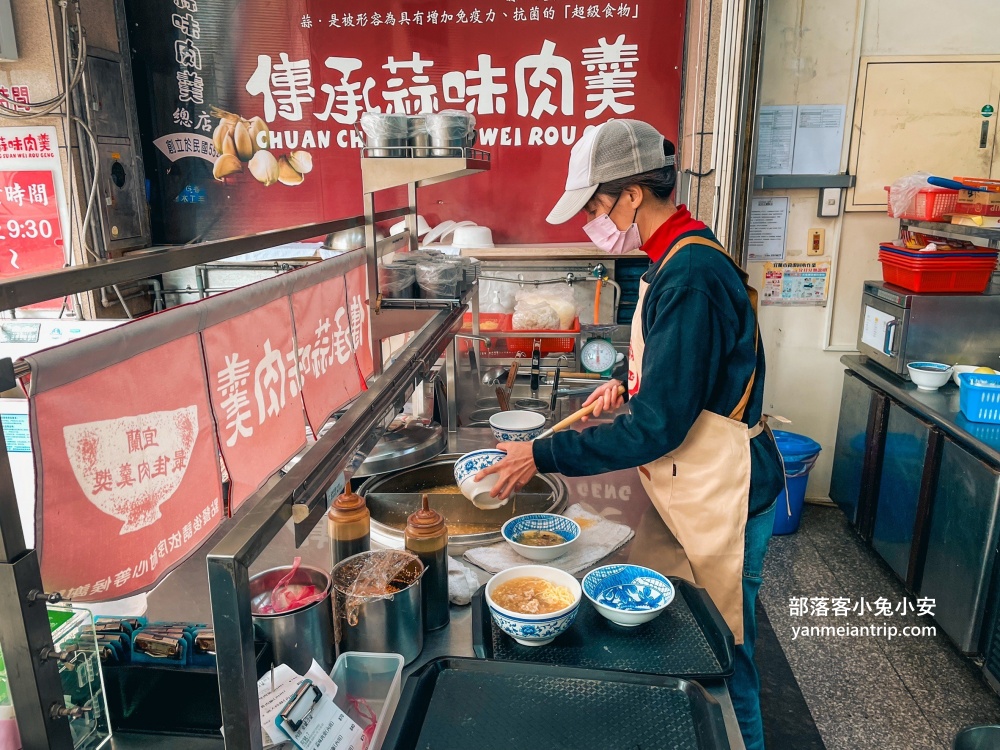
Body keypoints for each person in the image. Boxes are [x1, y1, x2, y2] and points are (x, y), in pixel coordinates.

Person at [475, 119, 785, 749]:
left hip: (722, 489)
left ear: (633, 194)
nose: (594, 216)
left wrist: (543, 453)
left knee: (726, 652)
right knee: (695, 638)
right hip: (693, 483)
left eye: (596, 202)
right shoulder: (675, 255)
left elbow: (658, 428)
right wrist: (626, 375)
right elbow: (683, 363)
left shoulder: (690, 274)